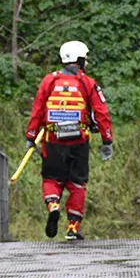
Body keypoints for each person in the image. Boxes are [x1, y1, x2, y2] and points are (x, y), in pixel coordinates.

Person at [25, 40, 113, 241]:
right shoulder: (88, 83)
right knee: (78, 183)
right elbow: (101, 113)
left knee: (51, 179)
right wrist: (107, 141)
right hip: (79, 141)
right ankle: (73, 227)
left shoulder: (49, 81)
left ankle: (53, 204)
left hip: (53, 141)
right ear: (80, 60)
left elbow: (38, 110)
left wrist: (31, 136)